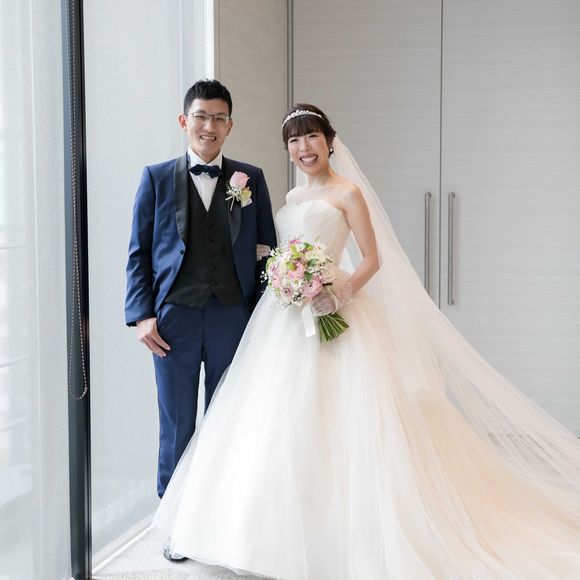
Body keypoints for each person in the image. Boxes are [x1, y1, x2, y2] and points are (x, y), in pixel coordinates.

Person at [154, 104, 580, 579]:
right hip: (283, 317)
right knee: (270, 417)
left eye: (311, 137)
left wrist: (336, 294)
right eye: (293, 141)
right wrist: (287, 278)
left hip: (334, 310)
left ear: (329, 140)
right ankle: (255, 531)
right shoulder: (292, 196)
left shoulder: (348, 192)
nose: (303, 148)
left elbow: (372, 259)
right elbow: (274, 250)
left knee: (342, 420)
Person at [124, 79, 277, 539]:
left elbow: (266, 250)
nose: (209, 126)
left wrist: (263, 315)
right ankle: (174, 526)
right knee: (176, 422)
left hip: (233, 316)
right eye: (201, 116)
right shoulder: (156, 177)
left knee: (229, 418)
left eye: (219, 118)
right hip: (174, 318)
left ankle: (221, 522)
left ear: (230, 125)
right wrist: (142, 314)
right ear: (184, 121)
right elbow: (139, 252)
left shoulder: (250, 179)